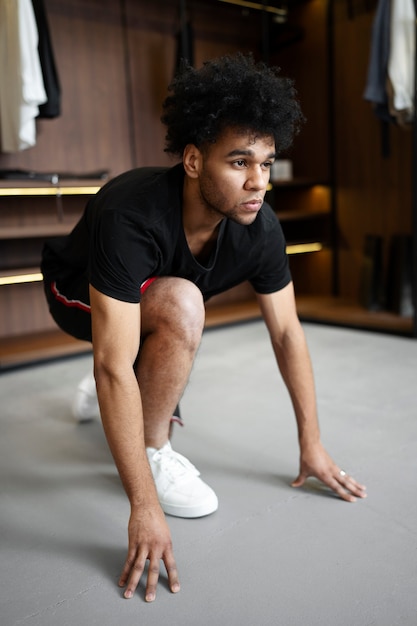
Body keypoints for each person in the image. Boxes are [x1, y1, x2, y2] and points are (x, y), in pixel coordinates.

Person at [41, 53, 367, 603]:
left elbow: (287, 333)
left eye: (266, 163)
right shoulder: (131, 211)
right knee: (182, 304)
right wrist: (142, 505)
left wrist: (310, 444)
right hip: (76, 298)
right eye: (239, 162)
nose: (257, 182)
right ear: (193, 160)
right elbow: (111, 362)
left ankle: (122, 408)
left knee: (176, 305)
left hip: (147, 306)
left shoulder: (258, 227)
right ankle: (154, 450)